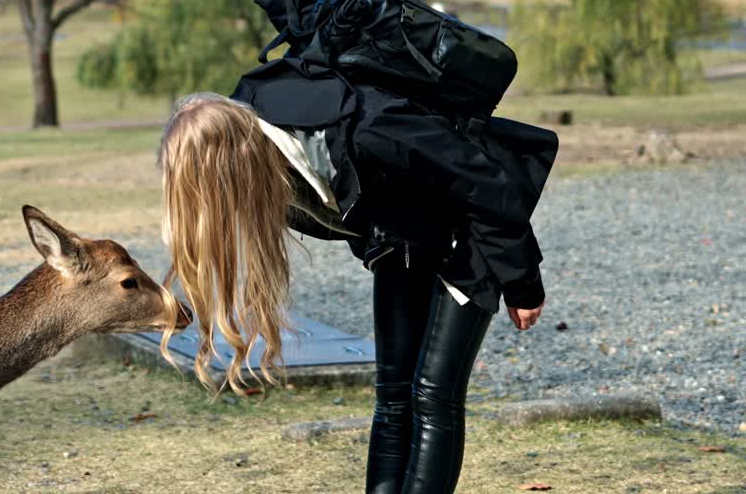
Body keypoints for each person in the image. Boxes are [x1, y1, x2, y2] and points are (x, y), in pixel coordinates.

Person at [157, 63, 557, 493]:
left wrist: (522, 282)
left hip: (471, 230)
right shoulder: (268, 149)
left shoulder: (368, 128)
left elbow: (487, 185)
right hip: (401, 235)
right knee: (392, 394)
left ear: (233, 162)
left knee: (432, 394)